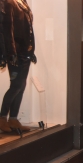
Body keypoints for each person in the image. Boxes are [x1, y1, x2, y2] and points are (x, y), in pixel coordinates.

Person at [0, 0, 37, 132]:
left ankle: (13, 119)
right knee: (16, 85)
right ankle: (2, 118)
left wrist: (32, 50)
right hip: (16, 52)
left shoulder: (24, 3)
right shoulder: (8, 2)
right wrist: (11, 53)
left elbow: (30, 29)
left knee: (21, 86)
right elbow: (6, 29)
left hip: (25, 51)